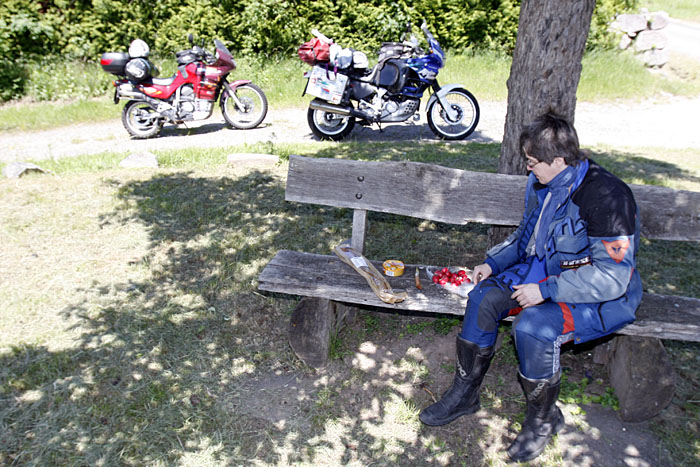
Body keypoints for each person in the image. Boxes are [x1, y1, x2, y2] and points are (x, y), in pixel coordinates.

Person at [419, 112, 642, 462]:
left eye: (532, 162)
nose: (528, 169)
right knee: (482, 298)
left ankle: (543, 420)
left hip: (596, 295)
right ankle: (465, 395)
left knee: (534, 328)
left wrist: (548, 289)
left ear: (558, 160)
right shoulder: (542, 183)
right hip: (540, 274)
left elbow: (613, 278)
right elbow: (527, 235)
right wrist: (492, 263)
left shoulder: (608, 198)